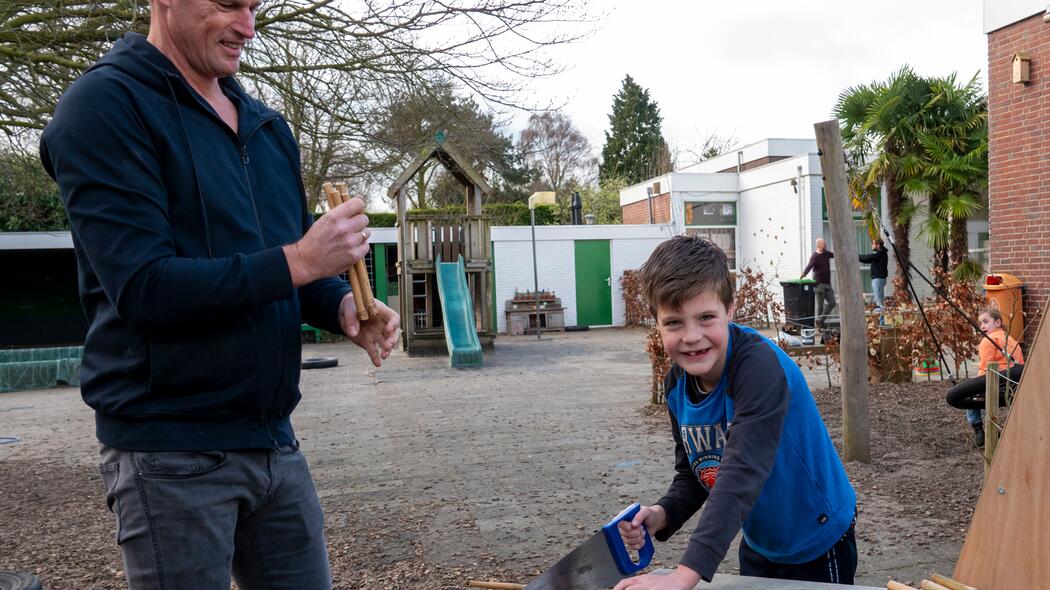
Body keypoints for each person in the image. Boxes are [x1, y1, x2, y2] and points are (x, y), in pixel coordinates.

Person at [38, 0, 400, 587]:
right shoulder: (103, 108)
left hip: (273, 441)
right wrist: (303, 259)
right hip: (169, 452)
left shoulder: (265, 126)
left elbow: (282, 262)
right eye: (227, 4)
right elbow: (144, 287)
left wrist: (338, 304)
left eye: (254, 6)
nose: (247, 27)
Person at [613, 235, 857, 589]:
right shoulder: (676, 386)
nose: (692, 336)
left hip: (816, 538)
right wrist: (662, 514)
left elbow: (742, 469)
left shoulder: (759, 368)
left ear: (730, 309)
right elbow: (697, 474)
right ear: (657, 323)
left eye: (706, 317)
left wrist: (685, 574)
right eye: (674, 323)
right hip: (761, 540)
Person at [946, 308, 1025, 448]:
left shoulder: (988, 341)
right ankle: (995, 431)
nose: (982, 326)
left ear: (998, 322)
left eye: (986, 321)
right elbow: (1019, 363)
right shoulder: (1010, 339)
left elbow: (985, 368)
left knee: (970, 396)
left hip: (996, 382)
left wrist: (974, 387)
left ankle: (979, 431)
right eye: (980, 323)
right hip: (1012, 385)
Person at [801, 238, 836, 328]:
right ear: (819, 245)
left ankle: (820, 320)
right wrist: (804, 274)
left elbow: (835, 255)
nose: (826, 245)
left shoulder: (826, 253)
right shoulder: (815, 256)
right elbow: (809, 266)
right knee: (820, 306)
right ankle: (820, 325)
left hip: (828, 284)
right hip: (819, 284)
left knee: (832, 303)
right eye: (824, 244)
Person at [859, 239, 889, 310]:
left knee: (879, 303)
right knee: (878, 301)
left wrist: (857, 256)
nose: (871, 245)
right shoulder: (881, 254)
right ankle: (880, 320)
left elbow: (869, 257)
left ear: (878, 245)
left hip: (878, 279)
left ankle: (881, 320)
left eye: (873, 244)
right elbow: (868, 259)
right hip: (880, 279)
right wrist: (858, 257)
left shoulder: (880, 253)